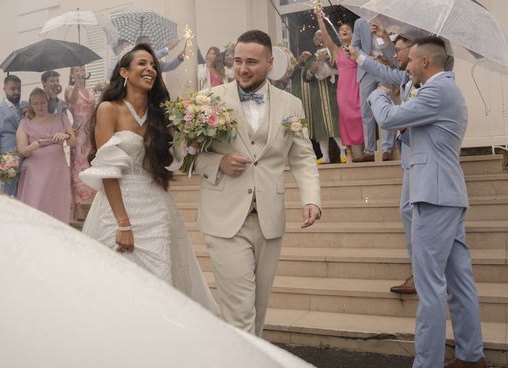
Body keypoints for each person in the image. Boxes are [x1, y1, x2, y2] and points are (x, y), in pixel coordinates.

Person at [194, 29, 321, 336]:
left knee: (258, 311)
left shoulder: (292, 105)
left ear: (270, 63)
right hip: (225, 221)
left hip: (269, 219)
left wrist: (311, 198)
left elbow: (302, 156)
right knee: (240, 316)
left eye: (251, 61)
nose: (243, 68)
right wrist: (218, 162)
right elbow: (180, 156)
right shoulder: (207, 100)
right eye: (237, 61)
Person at [368, 36, 485, 368]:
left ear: (425, 63)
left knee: (430, 285)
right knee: (459, 279)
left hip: (433, 196)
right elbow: (414, 129)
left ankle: (428, 363)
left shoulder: (438, 89)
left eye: (409, 61)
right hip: (444, 194)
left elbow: (389, 119)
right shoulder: (440, 89)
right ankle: (471, 356)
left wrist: (377, 94)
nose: (405, 66)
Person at [79, 44, 217, 312]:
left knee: (160, 283)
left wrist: (195, 134)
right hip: (118, 206)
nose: (150, 69)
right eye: (142, 63)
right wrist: (123, 223)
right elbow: (107, 170)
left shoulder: (161, 115)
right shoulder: (108, 109)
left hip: (155, 206)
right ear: (124, 72)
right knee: (117, 283)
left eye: (153, 65)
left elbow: (175, 157)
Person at [345, 33, 417, 294]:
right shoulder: (408, 77)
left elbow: (389, 119)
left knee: (411, 214)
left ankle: (422, 275)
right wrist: (360, 57)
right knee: (407, 213)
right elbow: (383, 70)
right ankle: (421, 273)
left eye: (398, 49)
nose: (394, 53)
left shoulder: (431, 87)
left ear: (418, 52)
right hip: (411, 160)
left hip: (422, 165)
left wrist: (380, 94)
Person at [16, 88, 75, 223]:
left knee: (57, 203)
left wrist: (66, 135)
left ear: (47, 102)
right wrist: (30, 148)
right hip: (36, 171)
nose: (39, 106)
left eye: (42, 102)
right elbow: (22, 150)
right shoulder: (25, 123)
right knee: (36, 203)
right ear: (31, 105)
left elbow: (73, 142)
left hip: (57, 169)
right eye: (35, 103)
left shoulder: (61, 118)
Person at [316, 12, 364, 161]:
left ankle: (362, 152)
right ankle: (349, 154)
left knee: (360, 117)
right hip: (343, 90)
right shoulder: (336, 51)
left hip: (357, 87)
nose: (344, 30)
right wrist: (320, 17)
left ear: (353, 33)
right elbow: (325, 36)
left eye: (347, 29)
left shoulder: (358, 50)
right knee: (346, 119)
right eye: (341, 29)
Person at [350, 18, 396, 161]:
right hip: (366, 69)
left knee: (386, 107)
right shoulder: (360, 22)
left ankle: (387, 148)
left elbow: (395, 49)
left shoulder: (389, 19)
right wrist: (366, 58)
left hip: (384, 66)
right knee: (366, 111)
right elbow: (354, 46)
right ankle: (369, 150)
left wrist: (383, 36)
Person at [303, 30, 342, 164]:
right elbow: (305, 78)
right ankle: (325, 155)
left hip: (333, 93)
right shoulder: (311, 58)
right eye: (315, 35)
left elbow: (341, 68)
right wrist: (311, 71)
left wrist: (327, 62)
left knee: (335, 122)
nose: (317, 38)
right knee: (321, 126)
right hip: (317, 97)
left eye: (320, 35)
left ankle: (343, 151)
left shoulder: (333, 53)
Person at [0, 75, 27, 196]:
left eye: (19, 89)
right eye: (13, 89)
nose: (16, 92)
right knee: (9, 202)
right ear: (4, 89)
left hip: (28, 163)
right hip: (9, 165)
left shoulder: (26, 106)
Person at [64, 65, 97, 220]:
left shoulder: (90, 91)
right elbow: (71, 100)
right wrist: (77, 83)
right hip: (78, 134)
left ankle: (92, 203)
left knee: (92, 165)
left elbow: (94, 111)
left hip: (90, 133)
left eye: (82, 69)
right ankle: (78, 206)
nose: (80, 72)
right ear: (71, 73)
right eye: (76, 69)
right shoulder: (70, 89)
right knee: (78, 169)